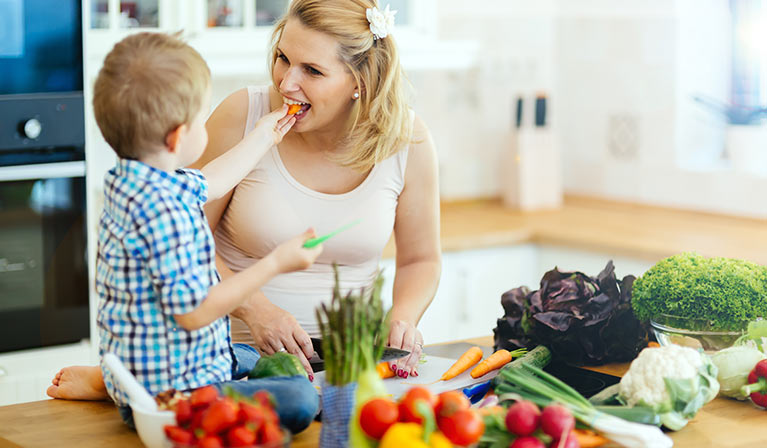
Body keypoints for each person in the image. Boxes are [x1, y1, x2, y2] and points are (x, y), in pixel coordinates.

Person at [47, 0, 441, 401]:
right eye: (283, 58)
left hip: (353, 356)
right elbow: (192, 244)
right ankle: (128, 383)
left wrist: (403, 318)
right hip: (238, 351)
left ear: (360, 81)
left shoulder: (408, 139)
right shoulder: (243, 114)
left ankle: (126, 382)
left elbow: (421, 260)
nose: (286, 83)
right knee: (292, 400)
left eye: (312, 70)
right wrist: (257, 310)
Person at [83, 31, 323, 432]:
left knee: (247, 356)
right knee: (300, 399)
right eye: (202, 119)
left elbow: (210, 181)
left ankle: (107, 384)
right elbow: (194, 314)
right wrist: (275, 263)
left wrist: (266, 133)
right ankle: (108, 391)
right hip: (172, 396)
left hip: (160, 363)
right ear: (179, 136)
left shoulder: (138, 180)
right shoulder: (163, 212)